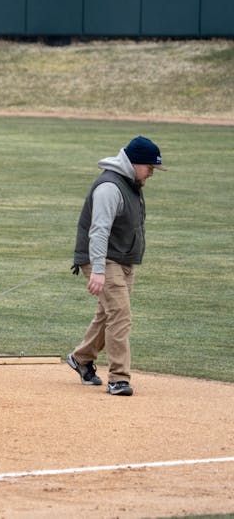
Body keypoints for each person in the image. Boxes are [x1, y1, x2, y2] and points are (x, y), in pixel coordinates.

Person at [67, 136, 166, 396]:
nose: (152, 173)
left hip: (122, 260)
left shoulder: (131, 183)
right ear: (135, 163)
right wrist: (97, 270)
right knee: (120, 314)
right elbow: (98, 232)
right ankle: (118, 378)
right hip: (101, 258)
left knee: (108, 313)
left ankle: (81, 358)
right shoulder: (110, 187)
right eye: (150, 168)